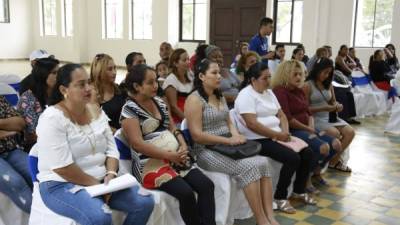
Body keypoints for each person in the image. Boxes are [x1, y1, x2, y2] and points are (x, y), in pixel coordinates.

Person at [36, 63, 154, 225]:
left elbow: (112, 150)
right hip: (60, 184)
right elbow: (62, 167)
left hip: (103, 181)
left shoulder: (95, 110)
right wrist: (98, 186)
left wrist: (111, 174)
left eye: (88, 82)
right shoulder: (52, 118)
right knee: (100, 216)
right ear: (64, 90)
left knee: (145, 201)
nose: (88, 88)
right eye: (80, 85)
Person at [185, 59, 279, 225]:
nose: (219, 76)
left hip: (227, 146)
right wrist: (228, 140)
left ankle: (270, 216)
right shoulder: (194, 100)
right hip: (206, 151)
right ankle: (261, 219)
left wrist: (236, 136)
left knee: (263, 162)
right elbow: (197, 136)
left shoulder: (218, 94)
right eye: (214, 73)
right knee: (248, 167)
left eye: (219, 72)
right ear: (201, 76)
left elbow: (228, 121)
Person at [120, 64, 216, 225]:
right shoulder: (129, 110)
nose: (156, 86)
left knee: (206, 185)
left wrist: (183, 145)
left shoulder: (158, 101)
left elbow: (172, 126)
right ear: (137, 86)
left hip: (175, 158)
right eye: (150, 82)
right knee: (186, 193)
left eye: (156, 81)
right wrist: (169, 155)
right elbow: (138, 145)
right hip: (150, 165)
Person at [235, 62, 316, 214]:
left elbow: (282, 115)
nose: (268, 81)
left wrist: (285, 133)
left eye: (270, 77)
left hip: (277, 135)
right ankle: (280, 197)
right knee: (292, 158)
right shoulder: (246, 95)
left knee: (308, 153)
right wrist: (277, 135)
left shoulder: (269, 93)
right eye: (265, 78)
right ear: (253, 79)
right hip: (257, 139)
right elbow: (252, 124)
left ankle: (298, 190)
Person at [272, 60, 340, 193]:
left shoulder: (299, 90)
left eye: (300, 74)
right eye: (295, 74)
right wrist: (309, 129)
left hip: (307, 128)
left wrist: (312, 127)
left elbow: (308, 112)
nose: (299, 77)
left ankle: (316, 172)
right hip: (293, 130)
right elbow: (288, 118)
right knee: (323, 147)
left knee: (336, 144)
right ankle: (306, 178)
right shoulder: (280, 91)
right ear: (285, 75)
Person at [304, 58, 355, 172]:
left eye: (329, 73)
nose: (326, 76)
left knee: (350, 132)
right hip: (315, 118)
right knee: (335, 133)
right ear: (317, 70)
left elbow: (333, 102)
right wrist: (324, 107)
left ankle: (333, 161)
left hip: (329, 116)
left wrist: (338, 105)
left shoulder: (328, 84)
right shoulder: (308, 85)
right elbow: (305, 109)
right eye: (325, 72)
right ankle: (327, 162)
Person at [17, 57, 60, 151]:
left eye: (59, 72)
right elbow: (32, 135)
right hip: (37, 147)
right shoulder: (27, 99)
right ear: (43, 75)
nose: (59, 76)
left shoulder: (61, 94)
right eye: (54, 73)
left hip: (60, 141)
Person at [0, 96, 32, 213]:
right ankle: (42, 220)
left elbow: (19, 124)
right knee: (15, 182)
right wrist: (6, 127)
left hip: (11, 150)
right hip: (9, 149)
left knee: (38, 173)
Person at [90, 53, 127, 131]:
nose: (114, 72)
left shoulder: (117, 89)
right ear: (99, 71)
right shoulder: (93, 93)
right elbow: (97, 123)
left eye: (115, 68)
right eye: (110, 69)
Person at [163, 48, 193, 125]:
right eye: (184, 60)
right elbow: (174, 107)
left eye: (188, 59)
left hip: (191, 115)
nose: (188, 62)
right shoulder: (171, 80)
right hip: (179, 120)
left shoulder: (190, 75)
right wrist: (188, 122)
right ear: (175, 63)